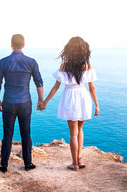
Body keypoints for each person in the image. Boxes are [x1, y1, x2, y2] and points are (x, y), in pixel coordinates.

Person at [39, 36, 100, 171]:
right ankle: (79, 158)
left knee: (73, 133)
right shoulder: (87, 66)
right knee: (80, 129)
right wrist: (96, 105)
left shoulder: (64, 66)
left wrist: (45, 102)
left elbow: (56, 87)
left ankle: (74, 164)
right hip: (83, 97)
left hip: (70, 97)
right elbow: (92, 88)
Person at [0, 34, 44, 173]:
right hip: (25, 103)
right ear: (23, 45)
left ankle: (3, 165)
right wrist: (41, 100)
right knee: (26, 134)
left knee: (7, 135)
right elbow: (38, 82)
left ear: (11, 44)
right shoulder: (31, 62)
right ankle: (28, 164)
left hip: (8, 102)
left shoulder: (3, 61)